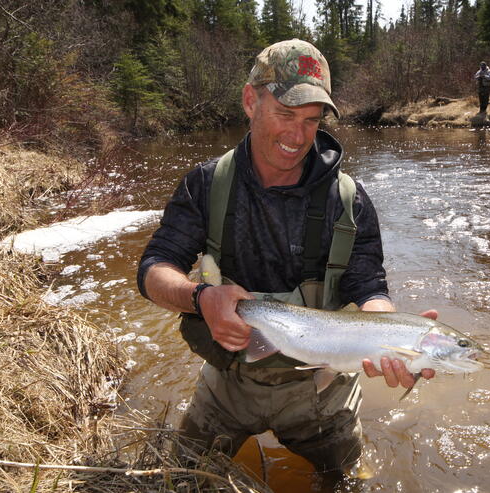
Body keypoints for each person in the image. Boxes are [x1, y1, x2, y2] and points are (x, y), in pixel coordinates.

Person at [136, 39, 435, 475]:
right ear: (249, 102)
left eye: (312, 120)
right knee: (181, 478)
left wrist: (389, 336)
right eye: (286, 114)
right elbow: (153, 270)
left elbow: (369, 287)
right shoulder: (206, 185)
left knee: (347, 481)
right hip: (229, 384)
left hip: (322, 390)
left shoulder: (349, 201)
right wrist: (200, 297)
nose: (298, 136)